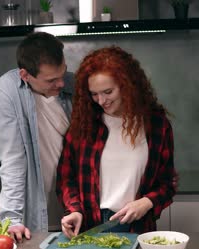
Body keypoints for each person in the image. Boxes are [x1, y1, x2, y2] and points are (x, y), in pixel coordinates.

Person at [56, 46, 178, 238]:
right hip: (90, 225)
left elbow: (167, 183)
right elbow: (66, 178)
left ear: (127, 85)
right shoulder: (84, 126)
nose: (101, 101)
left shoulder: (156, 125)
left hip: (137, 226)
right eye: (94, 94)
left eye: (108, 92)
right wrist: (74, 210)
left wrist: (146, 202)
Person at [0, 32, 74, 242]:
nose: (61, 84)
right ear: (25, 75)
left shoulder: (74, 84)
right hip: (37, 212)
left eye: (62, 74)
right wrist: (12, 218)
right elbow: (12, 160)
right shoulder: (8, 91)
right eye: (51, 80)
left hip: (76, 209)